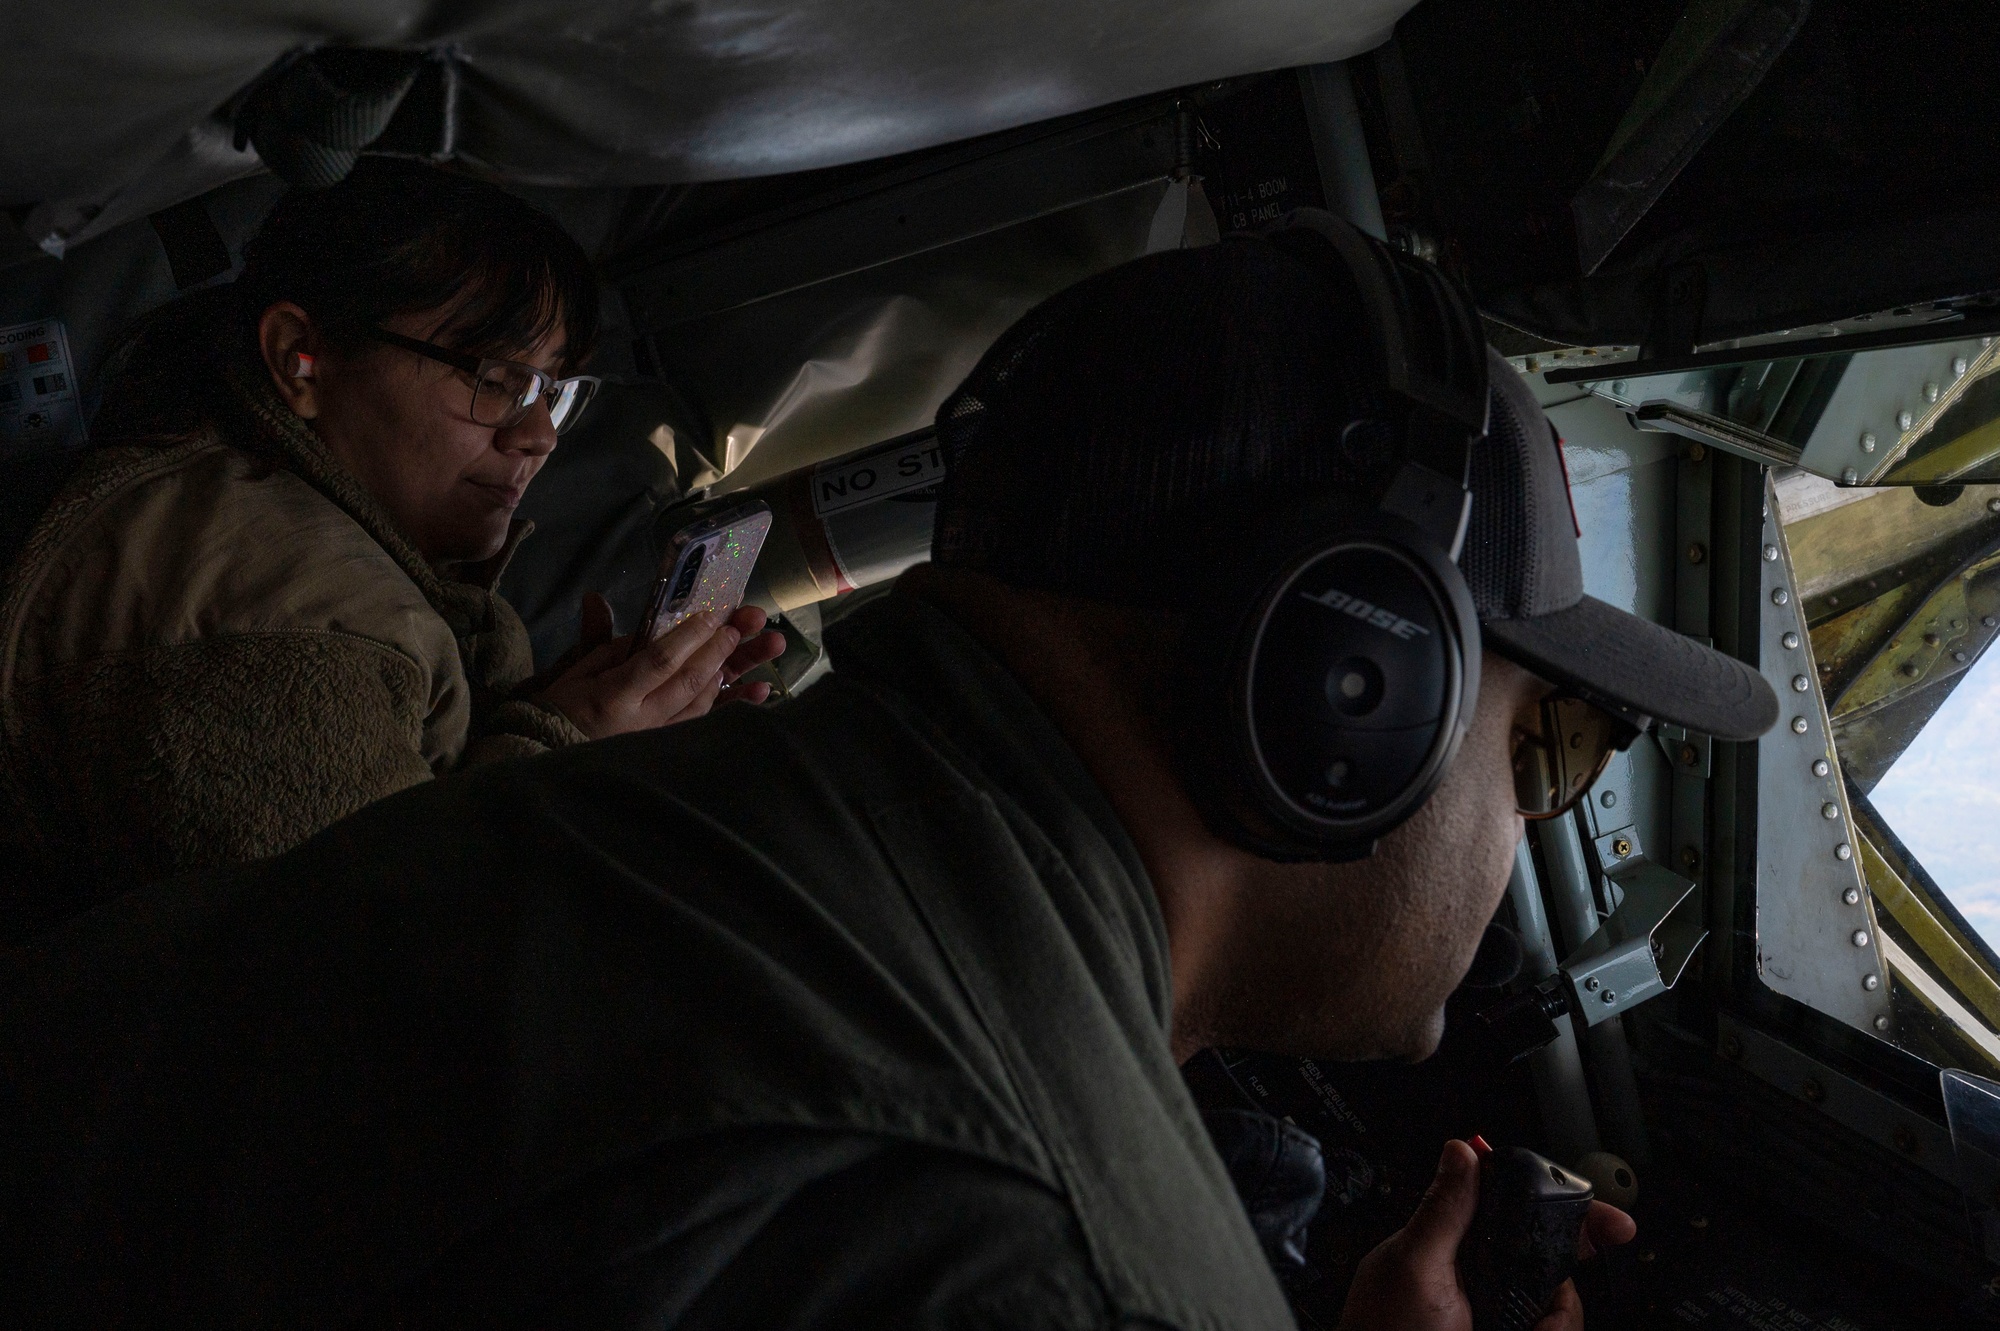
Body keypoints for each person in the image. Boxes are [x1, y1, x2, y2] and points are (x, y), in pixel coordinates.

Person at [0, 217, 1779, 1329]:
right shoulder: (1020, 1251)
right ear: (1347, 686)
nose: (1534, 818)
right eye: (1541, 742)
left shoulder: (744, 834)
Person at [0, 162, 783, 928]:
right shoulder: (278, 609)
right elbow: (374, 979)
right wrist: (564, 752)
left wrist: (552, 719)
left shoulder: (275, 543)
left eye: (555, 390)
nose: (540, 434)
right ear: (299, 359)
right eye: (496, 377)